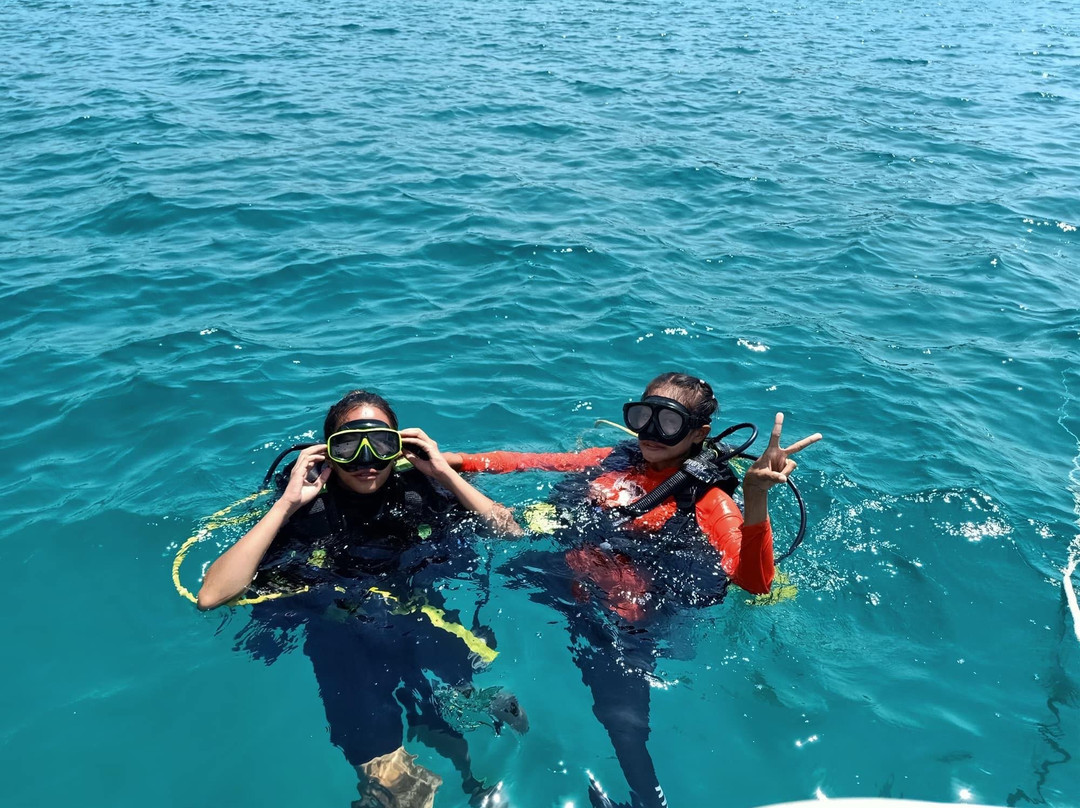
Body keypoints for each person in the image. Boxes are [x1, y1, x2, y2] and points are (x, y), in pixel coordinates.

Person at [444, 372, 822, 808]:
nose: (651, 434)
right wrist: (456, 459)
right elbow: (534, 461)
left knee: (620, 717)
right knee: (482, 573)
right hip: (567, 580)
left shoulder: (708, 501)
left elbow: (754, 583)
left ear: (698, 433)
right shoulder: (613, 458)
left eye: (669, 423)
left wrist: (756, 496)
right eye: (643, 417)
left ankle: (645, 798)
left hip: (628, 618)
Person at [198, 389, 524, 808]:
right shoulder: (304, 506)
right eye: (349, 446)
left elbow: (509, 532)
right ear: (327, 454)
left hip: (414, 612)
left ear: (401, 447)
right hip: (338, 629)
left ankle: (447, 737)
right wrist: (285, 505)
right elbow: (212, 596)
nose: (367, 462)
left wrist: (443, 471)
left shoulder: (419, 489)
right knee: (394, 783)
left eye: (382, 445)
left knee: (469, 714)